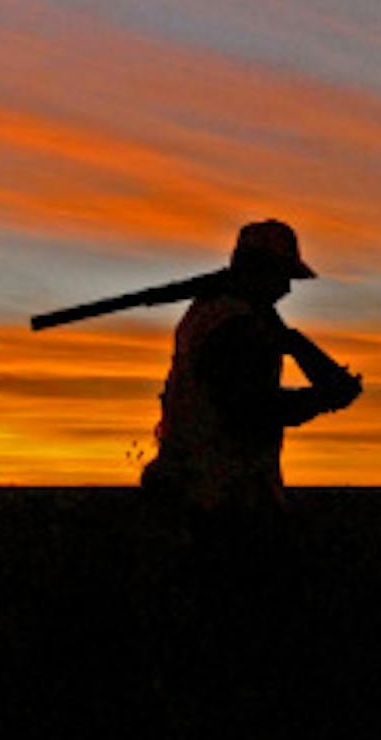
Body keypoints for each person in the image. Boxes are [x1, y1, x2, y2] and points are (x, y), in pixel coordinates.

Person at [140, 220, 362, 524]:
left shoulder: (216, 313)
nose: (286, 289)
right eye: (282, 276)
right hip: (220, 500)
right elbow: (249, 410)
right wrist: (323, 398)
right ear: (261, 273)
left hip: (195, 486)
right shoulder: (237, 326)